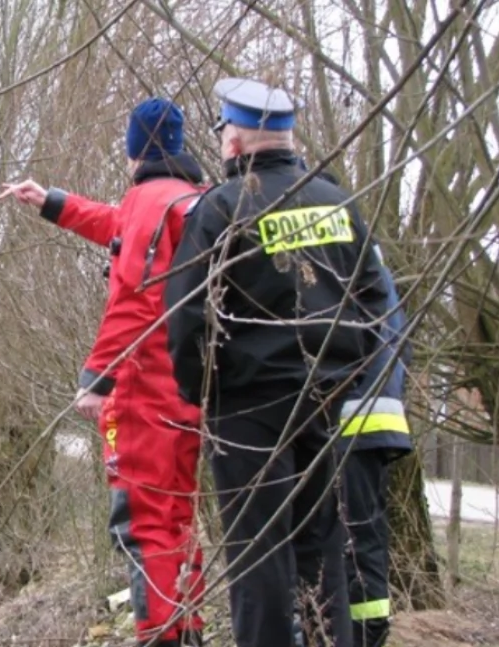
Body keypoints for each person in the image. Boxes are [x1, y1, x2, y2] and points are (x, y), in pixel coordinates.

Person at [163, 78, 390, 647]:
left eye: (223, 133)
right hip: (324, 402)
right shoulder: (336, 200)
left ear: (234, 141)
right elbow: (374, 298)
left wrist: (205, 393)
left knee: (257, 556)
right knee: (321, 548)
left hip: (248, 411)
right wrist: (346, 371)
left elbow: (188, 318)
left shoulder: (222, 208)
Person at [0, 98, 208, 647]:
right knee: (177, 517)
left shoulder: (148, 199)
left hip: (147, 387)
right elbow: (119, 227)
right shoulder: (192, 200)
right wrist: (53, 203)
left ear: (135, 151)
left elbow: (136, 294)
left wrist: (98, 376)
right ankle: (186, 631)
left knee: (142, 522)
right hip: (191, 388)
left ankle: (163, 636)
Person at [313, 169, 414, 647]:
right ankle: (368, 632)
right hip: (381, 416)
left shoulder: (335, 257)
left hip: (348, 419)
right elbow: (398, 344)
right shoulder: (371, 259)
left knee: (346, 541)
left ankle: (359, 636)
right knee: (365, 541)